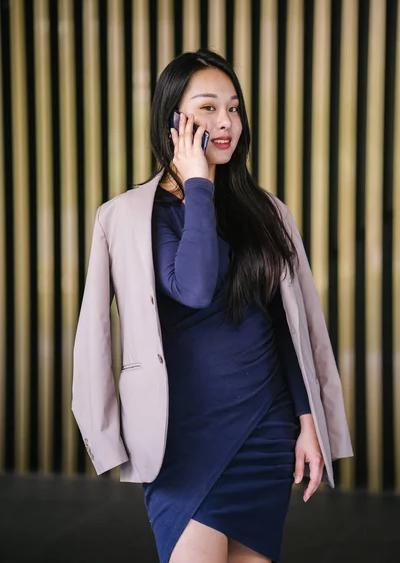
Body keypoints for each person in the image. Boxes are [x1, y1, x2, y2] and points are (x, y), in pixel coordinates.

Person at [72, 49, 353, 563]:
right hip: (180, 440)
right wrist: (197, 183)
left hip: (264, 428)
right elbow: (193, 286)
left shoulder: (265, 211)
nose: (225, 122)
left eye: (234, 108)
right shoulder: (131, 215)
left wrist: (308, 420)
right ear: (172, 119)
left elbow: (285, 326)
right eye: (207, 108)